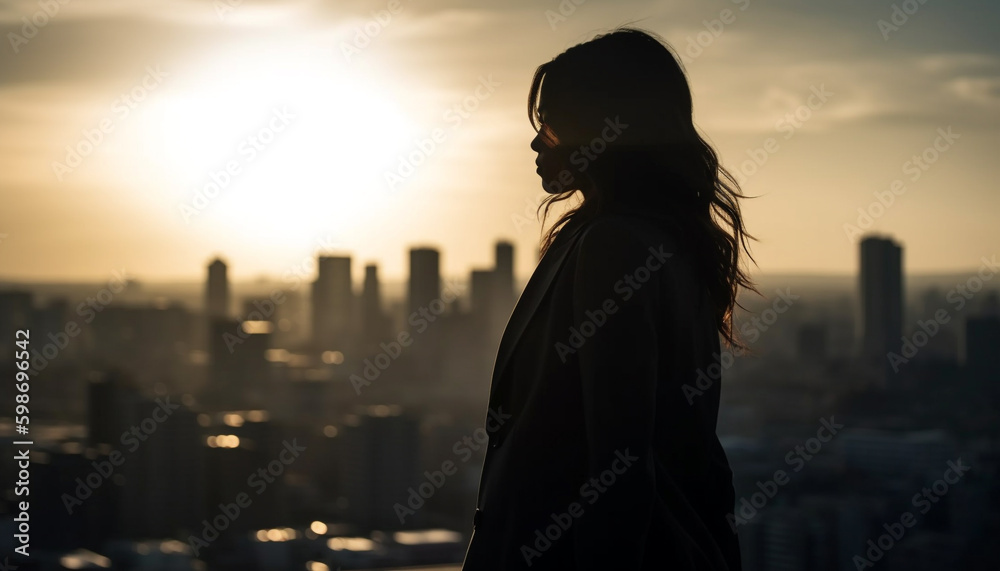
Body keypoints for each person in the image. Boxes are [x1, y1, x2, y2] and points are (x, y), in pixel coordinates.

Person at [461, 27, 757, 570]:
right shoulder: (666, 241)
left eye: (549, 126)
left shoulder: (615, 246)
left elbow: (619, 465)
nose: (535, 143)